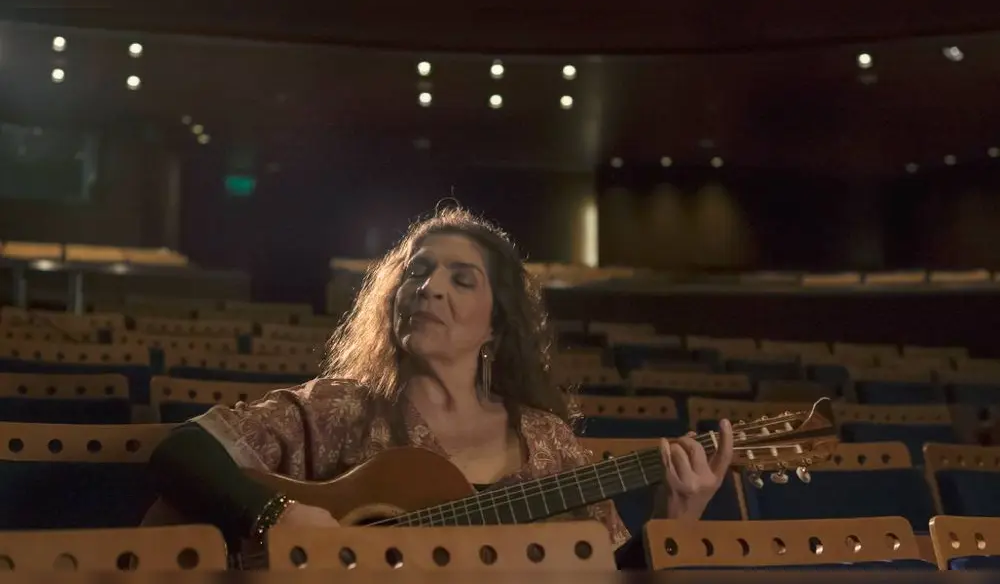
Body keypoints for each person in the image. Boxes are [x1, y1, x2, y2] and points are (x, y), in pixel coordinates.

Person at [147, 206, 734, 568]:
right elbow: (183, 451)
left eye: (462, 279)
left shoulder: (546, 440)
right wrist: (273, 513)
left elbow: (603, 571)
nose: (430, 289)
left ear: (496, 325)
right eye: (417, 271)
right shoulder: (339, 407)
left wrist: (673, 520)